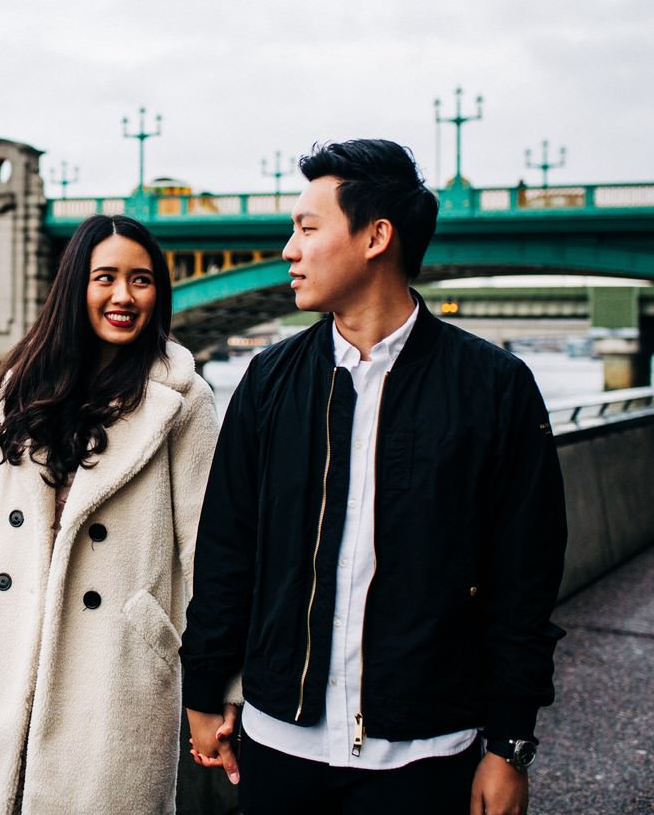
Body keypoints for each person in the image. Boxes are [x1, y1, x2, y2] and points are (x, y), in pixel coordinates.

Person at [181, 140, 567, 815]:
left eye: (306, 228)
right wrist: (203, 690)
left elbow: (523, 584)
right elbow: (227, 553)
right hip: (278, 747)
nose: (287, 250)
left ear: (376, 237)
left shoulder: (494, 389)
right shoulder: (269, 381)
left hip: (423, 756)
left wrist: (509, 747)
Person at [0, 214, 218, 814]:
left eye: (141, 280)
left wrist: (215, 687)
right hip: (9, 655)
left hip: (117, 668)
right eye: (105, 277)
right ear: (75, 286)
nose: (123, 296)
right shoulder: (19, 389)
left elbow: (203, 553)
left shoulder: (183, 400)